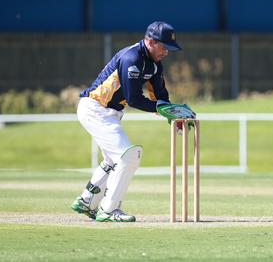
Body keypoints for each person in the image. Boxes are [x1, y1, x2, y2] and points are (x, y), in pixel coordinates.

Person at [71, 21, 191, 222]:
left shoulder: (154, 64)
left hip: (110, 112)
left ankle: (87, 201)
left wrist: (173, 115)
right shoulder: (131, 58)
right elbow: (134, 98)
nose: (166, 52)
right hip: (95, 109)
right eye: (164, 47)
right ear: (150, 41)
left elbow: (159, 96)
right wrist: (162, 109)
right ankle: (109, 210)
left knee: (112, 160)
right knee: (129, 156)